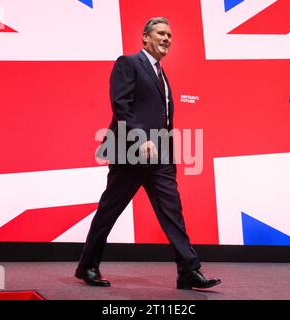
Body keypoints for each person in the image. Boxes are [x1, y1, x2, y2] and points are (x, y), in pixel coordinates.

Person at [75, 17, 221, 290]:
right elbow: (121, 105)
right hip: (131, 151)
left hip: (160, 156)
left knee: (172, 212)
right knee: (110, 209)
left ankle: (188, 270)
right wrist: (140, 137)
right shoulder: (128, 63)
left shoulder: (161, 74)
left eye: (170, 35)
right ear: (145, 38)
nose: (167, 39)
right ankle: (87, 266)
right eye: (161, 33)